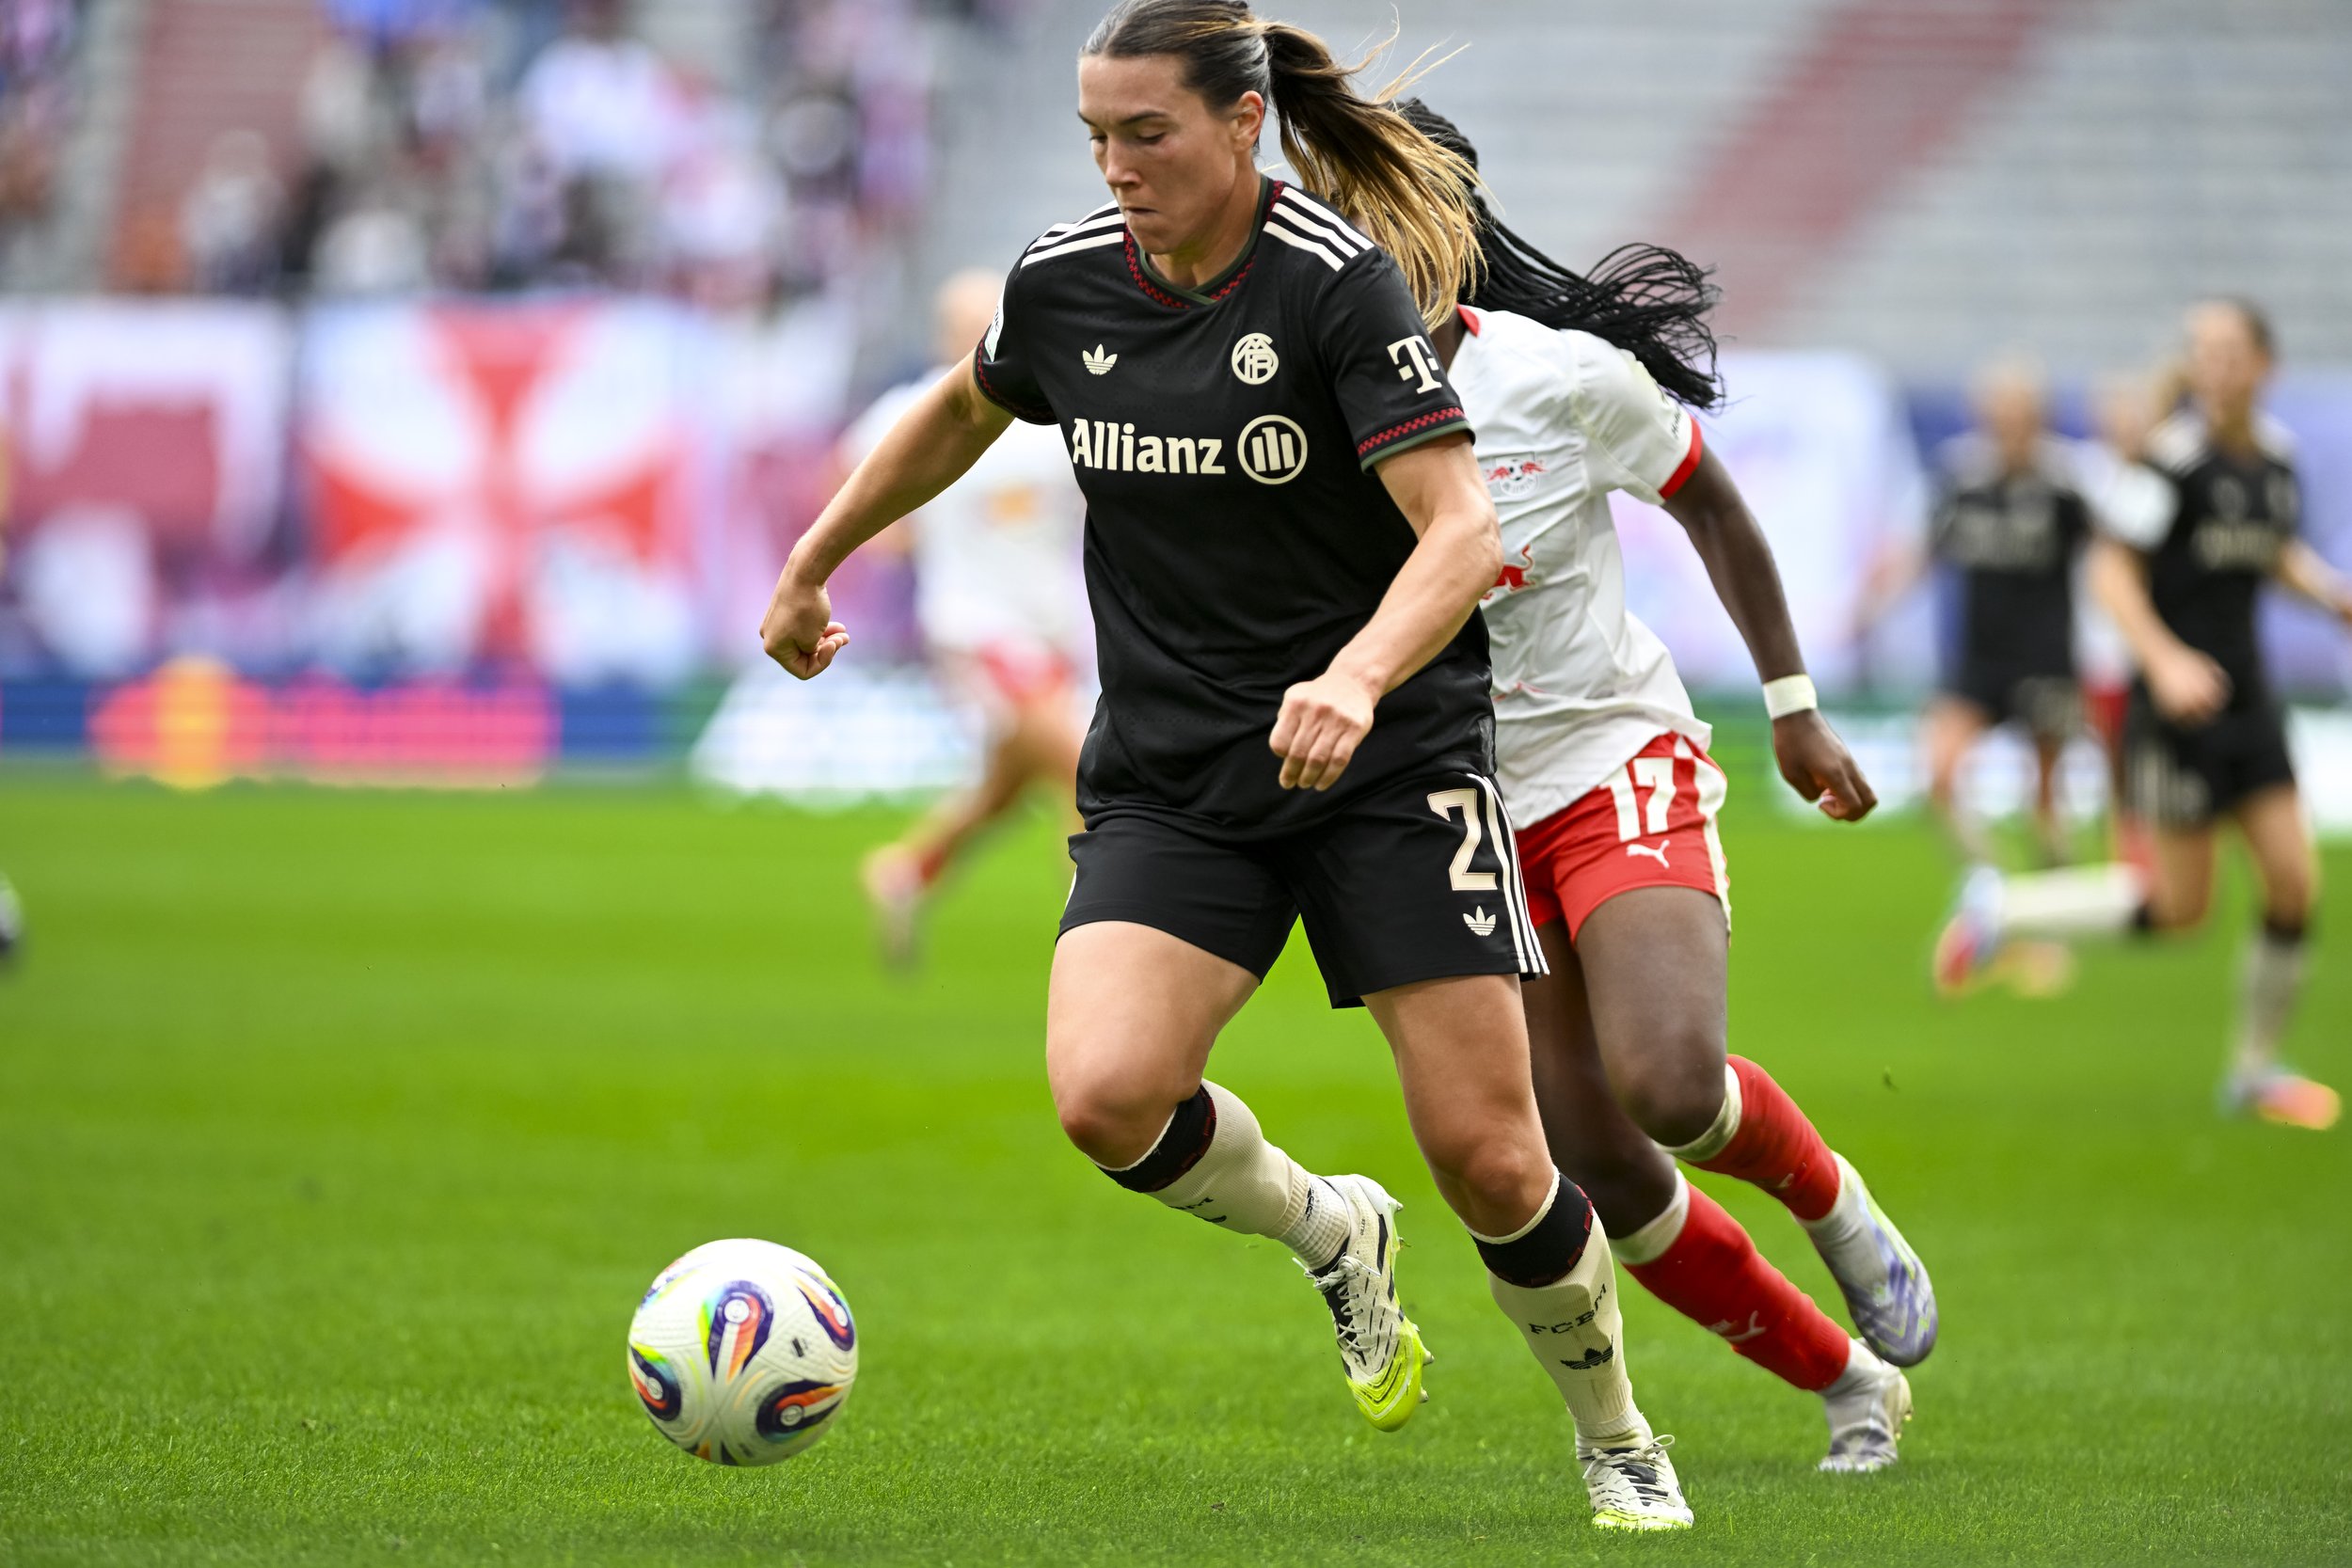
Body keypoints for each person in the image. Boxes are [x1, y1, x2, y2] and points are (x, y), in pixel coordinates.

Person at [760, 0, 1692, 1530]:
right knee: (1109, 1094)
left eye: (1150, 133)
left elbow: (1459, 531)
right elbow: (960, 413)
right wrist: (816, 562)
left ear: (1241, 128)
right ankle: (1332, 1233)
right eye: (1097, 137)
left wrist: (1357, 673)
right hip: (1181, 773)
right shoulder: (1065, 282)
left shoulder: (1336, 288)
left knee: (1492, 1158)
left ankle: (1614, 1428)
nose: (1118, 165)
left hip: (1390, 770)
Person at [1394, 102, 1932, 1475]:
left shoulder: (1558, 378)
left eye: (1392, 210)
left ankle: (1840, 1204)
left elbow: (1713, 505)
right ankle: (1849, 1377)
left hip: (1607, 752)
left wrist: (1797, 712)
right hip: (1462, 807)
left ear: (1451, 227)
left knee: (1671, 1080)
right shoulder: (1308, 395)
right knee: (1596, 1157)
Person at [1936, 300, 2352, 1130]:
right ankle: (2004, 910)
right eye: (2205, 352)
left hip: (2250, 702)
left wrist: (2332, 596)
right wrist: (2162, 662)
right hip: (2179, 714)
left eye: (2232, 352)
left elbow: (2271, 552)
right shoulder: (2174, 464)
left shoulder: (2274, 461)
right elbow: (2113, 575)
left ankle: (2254, 1070)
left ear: (2263, 364)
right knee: (2178, 910)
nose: (2217, 366)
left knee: (2295, 879)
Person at [846, 269, 1091, 965]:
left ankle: (907, 870)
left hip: (1049, 629)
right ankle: (1101, 919)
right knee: (1083, 768)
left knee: (1006, 785)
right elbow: (859, 496)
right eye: (966, 322)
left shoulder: (1052, 414)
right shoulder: (909, 411)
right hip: (974, 630)